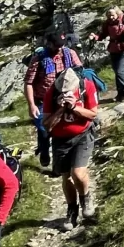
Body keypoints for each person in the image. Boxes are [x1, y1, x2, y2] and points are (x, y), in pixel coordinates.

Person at [44, 64, 100, 229]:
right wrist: (60, 109)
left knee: (78, 173)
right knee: (66, 176)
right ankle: (72, 210)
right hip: (61, 139)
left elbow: (93, 113)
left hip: (82, 135)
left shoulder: (86, 86)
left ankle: (86, 199)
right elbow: (47, 125)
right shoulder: (51, 93)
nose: (65, 93)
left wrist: (75, 106)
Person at [22, 32, 83, 167]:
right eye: (56, 46)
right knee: (44, 130)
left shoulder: (69, 54)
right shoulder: (38, 59)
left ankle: (59, 165)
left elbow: (79, 72)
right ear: (48, 43)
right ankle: (44, 151)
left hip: (64, 98)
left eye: (61, 46)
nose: (59, 49)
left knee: (61, 132)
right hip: (43, 101)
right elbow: (28, 83)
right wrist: (31, 105)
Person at [90, 6, 124, 102]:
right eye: (108, 15)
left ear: (117, 13)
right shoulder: (107, 23)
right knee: (117, 71)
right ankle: (120, 93)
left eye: (112, 15)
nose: (110, 17)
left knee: (120, 71)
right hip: (113, 49)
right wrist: (94, 37)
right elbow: (102, 34)